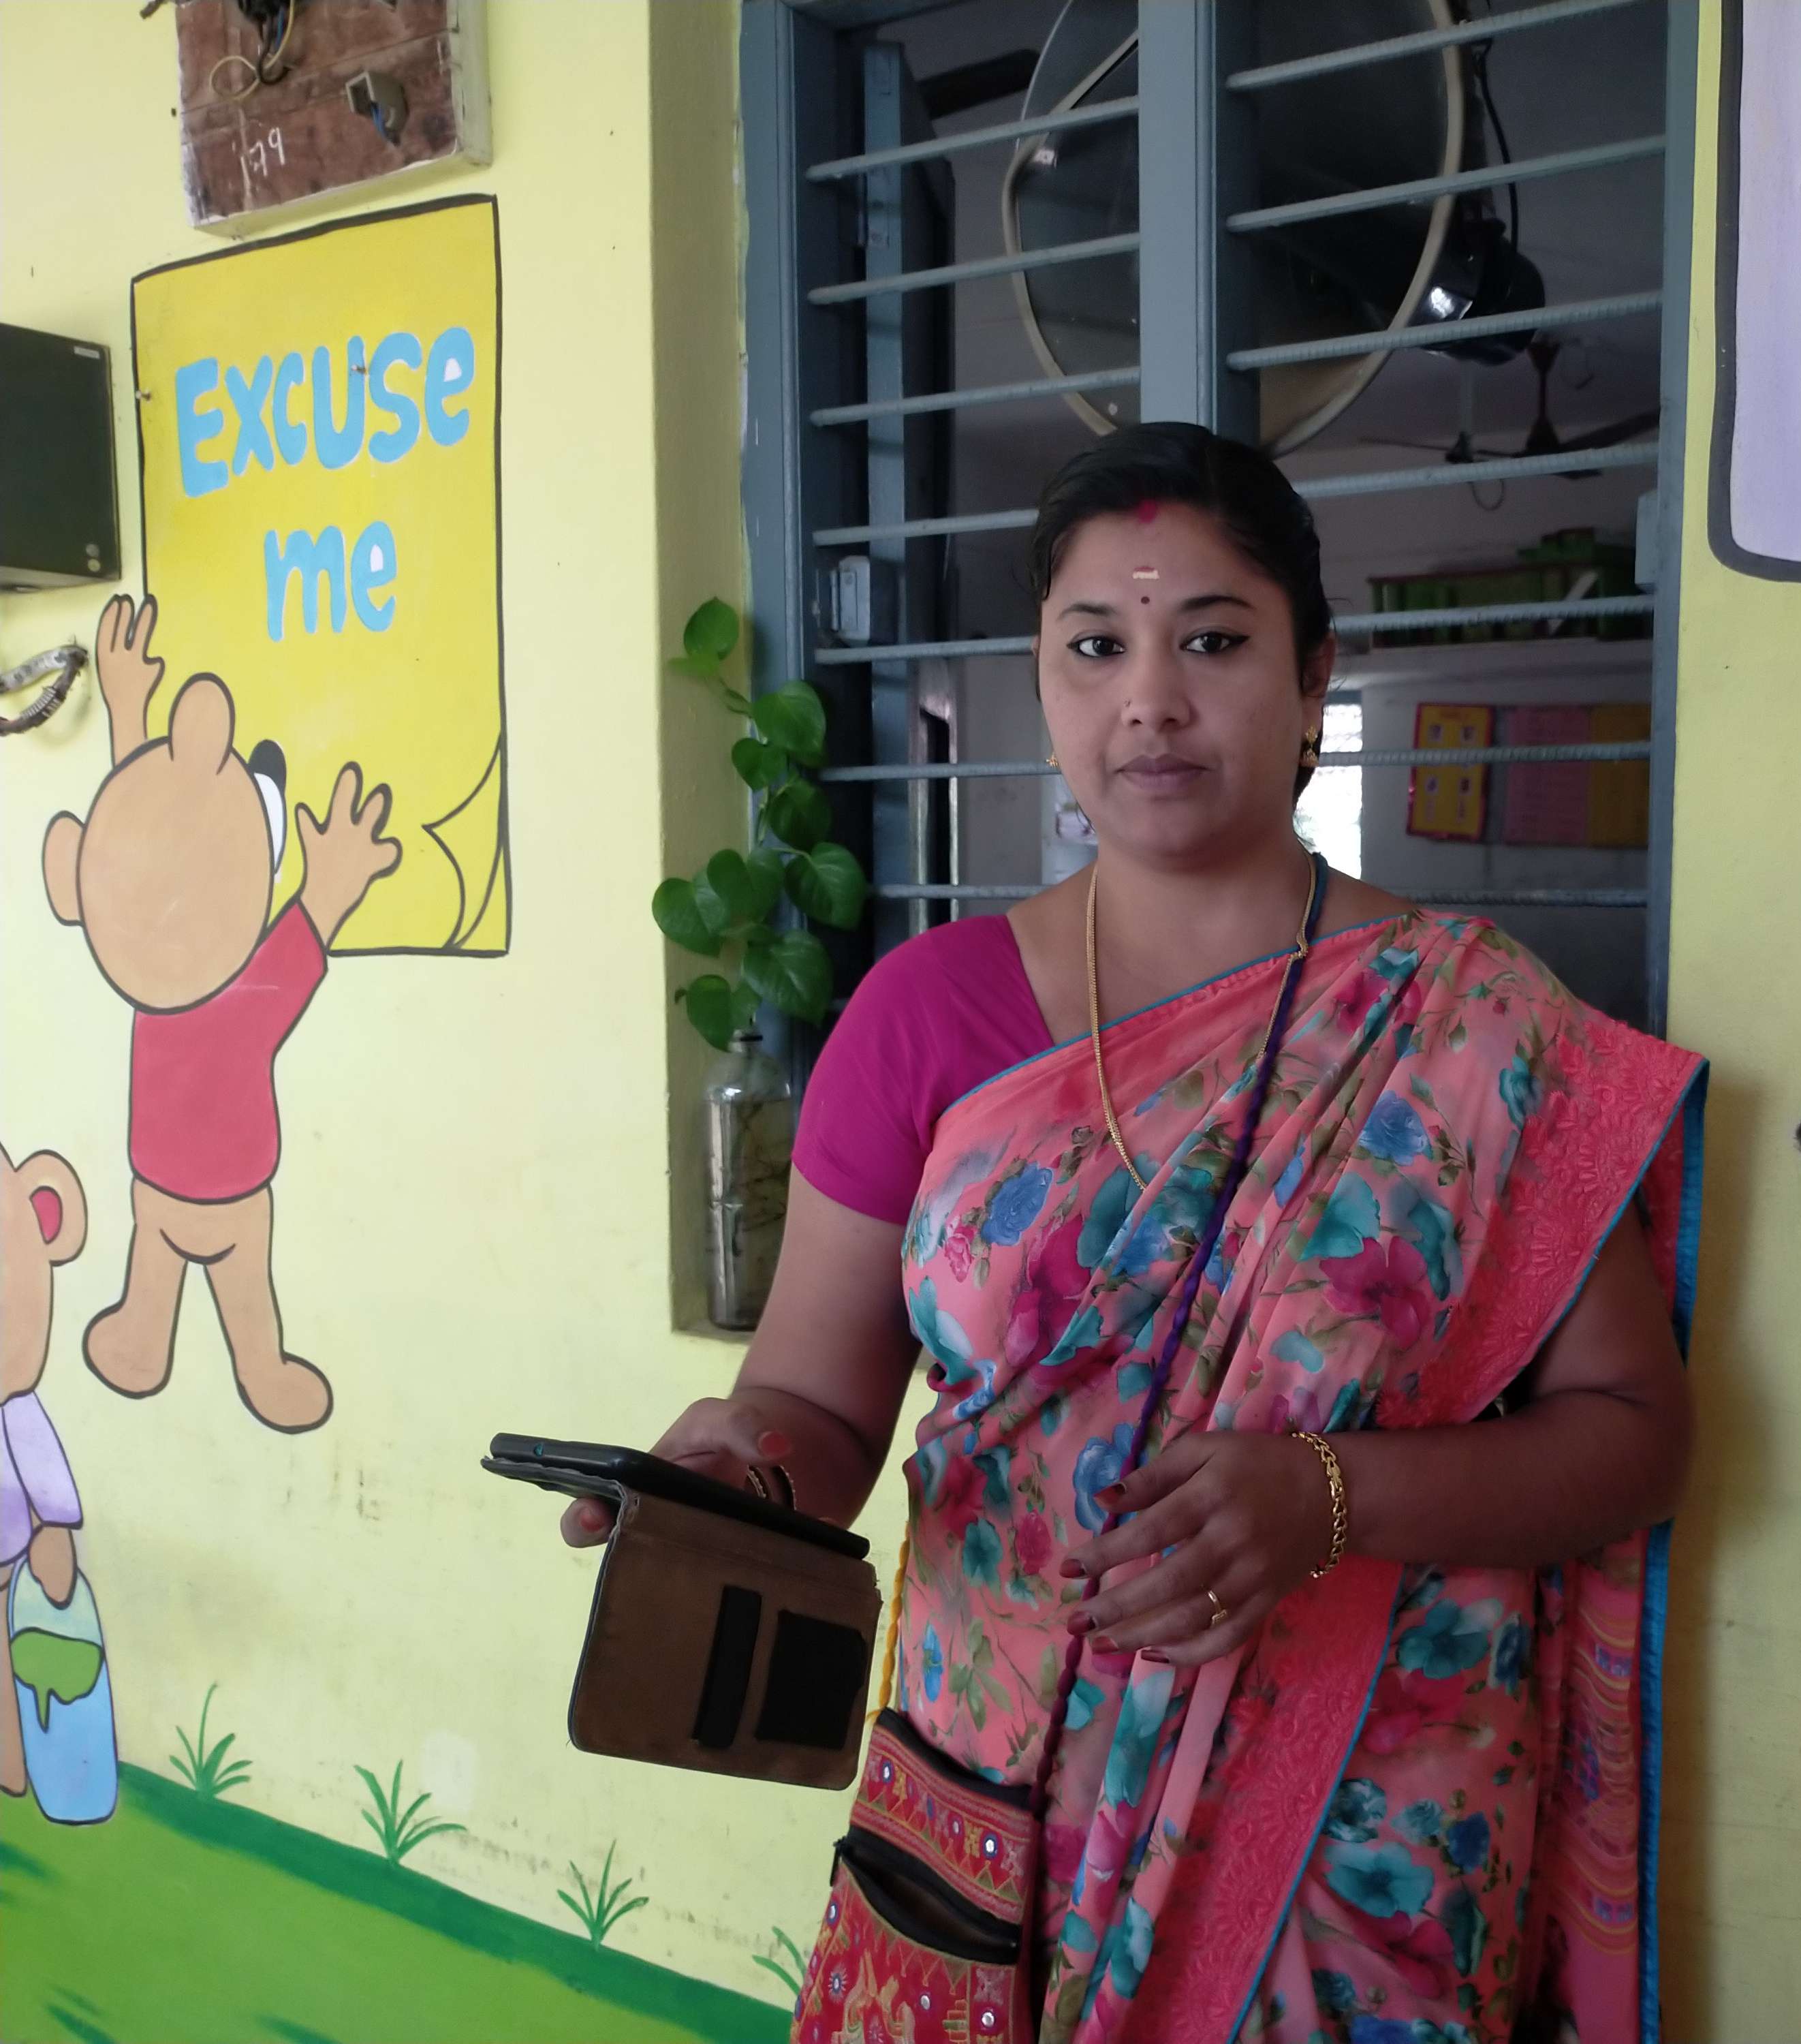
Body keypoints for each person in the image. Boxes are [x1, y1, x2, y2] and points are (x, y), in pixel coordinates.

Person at [569, 423, 1704, 2043]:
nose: (1149, 702)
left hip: (1355, 1838)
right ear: (1041, 680)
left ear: (1314, 678)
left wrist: (1328, 1498)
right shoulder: (922, 1017)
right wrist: (735, 1477)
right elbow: (816, 1407)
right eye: (1094, 646)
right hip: (992, 1813)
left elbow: (1634, 1437)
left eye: (1213, 643)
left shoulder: (1479, 1023)